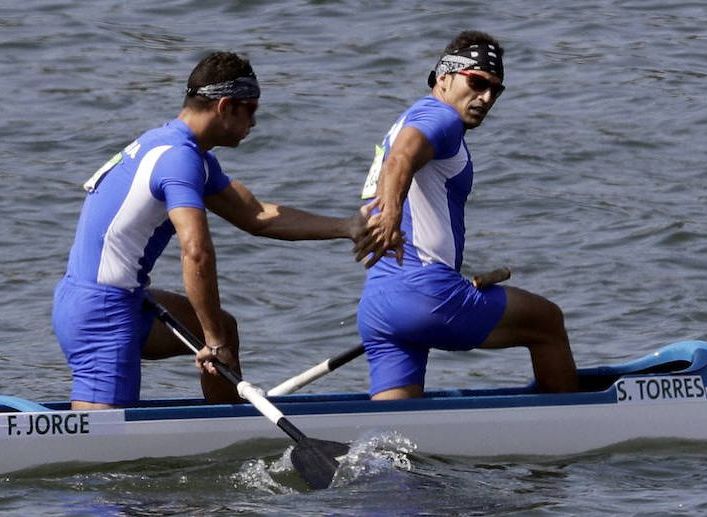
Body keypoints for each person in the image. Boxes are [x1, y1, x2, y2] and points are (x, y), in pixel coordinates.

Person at [52, 51, 382, 410]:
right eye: (251, 109)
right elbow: (196, 252)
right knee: (101, 456)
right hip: (102, 313)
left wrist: (348, 227)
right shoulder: (178, 159)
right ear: (225, 107)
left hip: (116, 300)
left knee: (224, 327)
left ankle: (227, 423)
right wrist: (212, 342)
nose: (255, 123)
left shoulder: (175, 147)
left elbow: (256, 215)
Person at [355, 31, 579, 400]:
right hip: (426, 295)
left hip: (380, 306)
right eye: (477, 83)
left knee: (394, 437)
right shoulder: (440, 118)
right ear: (444, 76)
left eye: (496, 90)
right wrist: (391, 215)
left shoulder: (407, 119)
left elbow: (400, 162)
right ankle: (574, 429)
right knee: (546, 321)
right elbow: (400, 161)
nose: (486, 98)